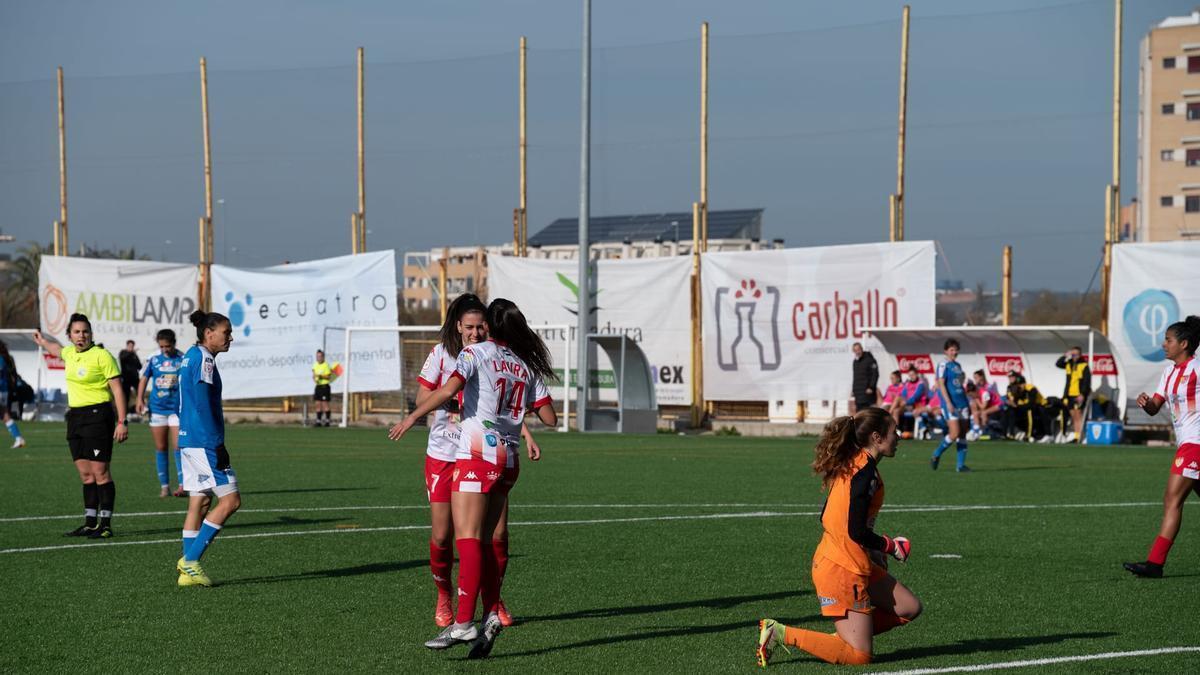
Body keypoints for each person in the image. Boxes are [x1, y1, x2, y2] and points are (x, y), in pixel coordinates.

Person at [389, 298, 557, 659]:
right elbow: (551, 418)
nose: (476, 331)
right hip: (507, 460)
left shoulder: (475, 355)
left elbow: (449, 391)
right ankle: (490, 610)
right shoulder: (524, 363)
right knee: (478, 538)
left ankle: (464, 622)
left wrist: (410, 418)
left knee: (469, 539)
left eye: (482, 325)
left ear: (490, 327)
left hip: (477, 455)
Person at [755, 408, 921, 667]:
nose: (898, 437)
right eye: (893, 432)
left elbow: (829, 516)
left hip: (853, 558)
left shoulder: (858, 464)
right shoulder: (863, 473)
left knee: (909, 607)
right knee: (860, 656)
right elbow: (855, 530)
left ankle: (850, 634)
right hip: (841, 568)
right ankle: (779, 633)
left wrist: (873, 551)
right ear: (877, 437)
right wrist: (889, 546)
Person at [417, 293, 539, 629]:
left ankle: (493, 602)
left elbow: (502, 407)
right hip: (445, 453)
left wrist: (526, 434)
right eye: (469, 327)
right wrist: (453, 405)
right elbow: (423, 397)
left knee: (497, 534)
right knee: (443, 537)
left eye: (480, 326)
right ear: (458, 327)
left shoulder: (491, 355)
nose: (475, 332)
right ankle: (444, 597)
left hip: (484, 453)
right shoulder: (442, 354)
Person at [32, 315, 129, 538]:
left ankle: (105, 525)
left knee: (100, 473)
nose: (81, 336)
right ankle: (89, 523)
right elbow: (56, 349)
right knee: (86, 475)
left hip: (98, 416)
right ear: (70, 335)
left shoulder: (102, 356)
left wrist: (122, 421)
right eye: (76, 332)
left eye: (85, 331)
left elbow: (117, 390)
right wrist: (42, 340)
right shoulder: (69, 353)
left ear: (91, 334)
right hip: (75, 418)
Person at [1124, 316, 1200, 578]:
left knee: (1172, 499)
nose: (1164, 344)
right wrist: (1146, 403)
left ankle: (1155, 563)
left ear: (1184, 344)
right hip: (1188, 444)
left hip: (1195, 444)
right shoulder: (1168, 373)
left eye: (1168, 340)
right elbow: (1155, 407)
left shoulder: (1198, 368)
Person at [175, 310, 240, 587]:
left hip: (188, 440)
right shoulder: (204, 359)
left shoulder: (190, 355)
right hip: (204, 442)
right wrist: (217, 443)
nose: (231, 338)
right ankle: (190, 560)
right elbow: (202, 404)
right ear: (209, 333)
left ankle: (186, 573)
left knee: (199, 501)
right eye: (226, 332)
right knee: (231, 501)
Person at [137, 329, 186, 498]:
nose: (165, 349)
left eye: (168, 345)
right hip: (157, 408)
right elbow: (144, 378)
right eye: (162, 346)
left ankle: (182, 485)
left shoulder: (182, 358)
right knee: (161, 447)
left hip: (176, 410)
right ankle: (164, 486)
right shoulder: (153, 359)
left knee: (179, 446)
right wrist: (139, 399)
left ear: (174, 343)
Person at [930, 339, 970, 472]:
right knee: (954, 433)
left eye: (956, 349)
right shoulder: (943, 364)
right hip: (950, 403)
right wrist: (948, 402)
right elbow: (941, 383)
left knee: (963, 433)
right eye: (952, 349)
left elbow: (956, 382)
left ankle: (960, 466)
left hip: (962, 402)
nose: (954, 352)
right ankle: (936, 454)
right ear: (946, 351)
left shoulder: (957, 365)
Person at [1054, 347, 1091, 443]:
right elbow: (1058, 364)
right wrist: (1065, 355)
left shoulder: (1084, 365)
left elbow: (1086, 382)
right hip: (1069, 394)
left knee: (1078, 415)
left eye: (1076, 354)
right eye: (1073, 354)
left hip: (1078, 395)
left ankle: (1079, 436)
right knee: (1073, 415)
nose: (1074, 357)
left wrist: (1082, 394)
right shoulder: (1068, 364)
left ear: (1080, 355)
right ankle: (1076, 436)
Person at [0, 340, 27, 448]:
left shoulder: (1, 359)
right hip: (4, 391)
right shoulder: (4, 358)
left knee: (5, 415)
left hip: (1, 390)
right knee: (5, 415)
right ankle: (19, 438)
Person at [311, 349, 338, 427]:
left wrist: (320, 376)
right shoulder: (315, 365)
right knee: (317, 403)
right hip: (318, 386)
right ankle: (318, 421)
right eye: (317, 356)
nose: (318, 358)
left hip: (325, 387)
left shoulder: (326, 365)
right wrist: (315, 379)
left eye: (320, 356)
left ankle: (327, 421)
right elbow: (314, 374)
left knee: (325, 404)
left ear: (323, 357)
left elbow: (328, 376)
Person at [850, 343, 879, 413]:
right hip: (858, 392)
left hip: (868, 392)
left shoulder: (870, 360)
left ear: (862, 349)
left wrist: (871, 387)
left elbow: (875, 374)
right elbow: (855, 377)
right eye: (855, 350)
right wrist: (853, 389)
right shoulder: (855, 362)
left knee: (869, 413)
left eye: (859, 349)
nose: (857, 352)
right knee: (859, 413)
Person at [118, 340, 142, 413]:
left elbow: (139, 366)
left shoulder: (134, 355)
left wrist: (134, 355)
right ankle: (124, 412)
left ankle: (139, 410)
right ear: (127, 345)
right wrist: (131, 352)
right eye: (130, 346)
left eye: (132, 346)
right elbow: (122, 358)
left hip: (135, 378)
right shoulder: (123, 352)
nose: (131, 348)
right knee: (125, 396)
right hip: (126, 378)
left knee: (139, 394)